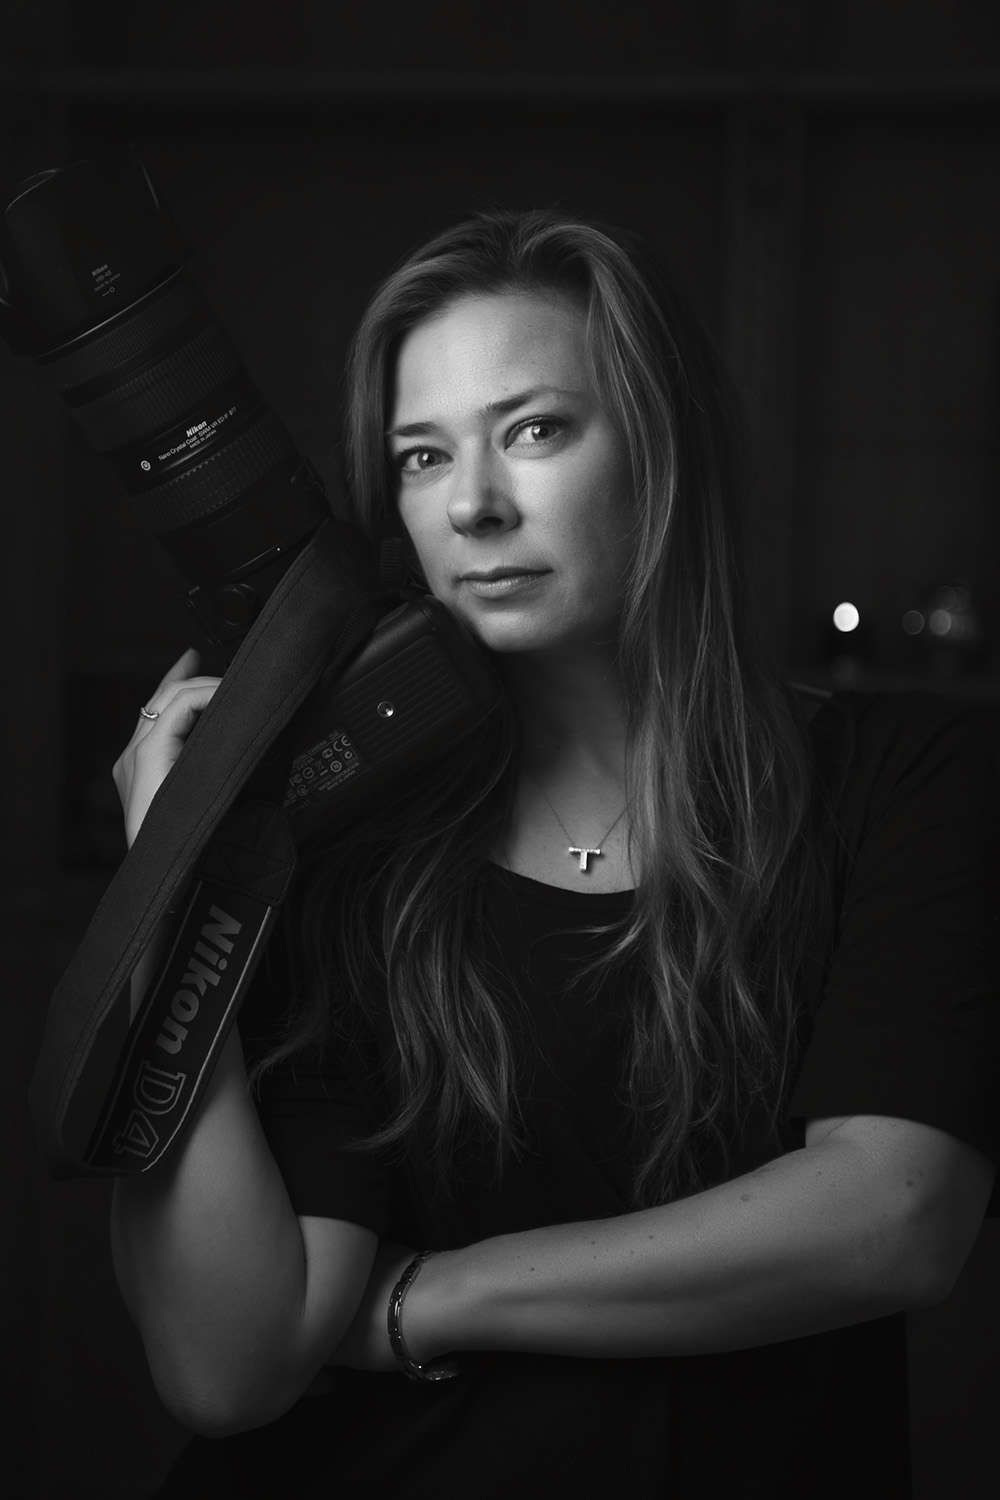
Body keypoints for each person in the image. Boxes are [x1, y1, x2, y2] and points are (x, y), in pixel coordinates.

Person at [110, 209, 1000, 1499]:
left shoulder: (903, 782)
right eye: (422, 457)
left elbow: (897, 1220)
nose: (471, 505)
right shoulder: (355, 850)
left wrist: (433, 1300)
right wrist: (175, 885)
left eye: (533, 430)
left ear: (659, 445)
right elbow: (227, 1367)